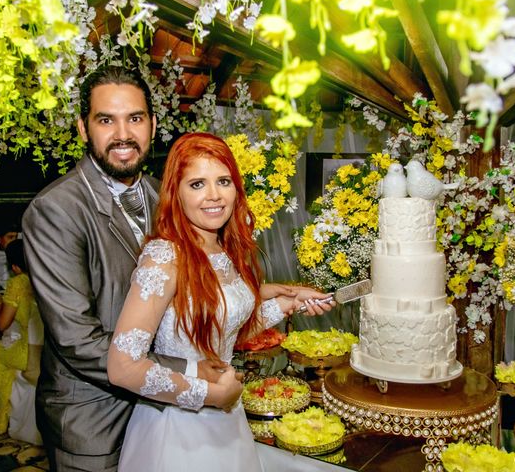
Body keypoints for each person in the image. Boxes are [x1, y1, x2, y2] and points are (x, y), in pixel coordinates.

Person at [22, 66, 233, 471]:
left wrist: (266, 295)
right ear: (83, 128)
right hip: (95, 420)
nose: (122, 134)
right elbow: (76, 340)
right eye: (106, 120)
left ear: (153, 125)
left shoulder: (165, 194)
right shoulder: (56, 211)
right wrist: (189, 370)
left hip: (161, 418)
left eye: (134, 118)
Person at [107, 133, 334, 471]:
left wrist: (288, 303)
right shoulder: (164, 256)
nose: (214, 196)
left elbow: (225, 332)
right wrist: (212, 396)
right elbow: (122, 367)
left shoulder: (221, 250)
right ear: (176, 193)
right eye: (197, 184)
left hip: (228, 420)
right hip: (178, 431)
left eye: (223, 181)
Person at [0, 239, 43, 438]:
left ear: (14, 267)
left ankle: (0, 413)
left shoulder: (18, 283)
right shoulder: (47, 275)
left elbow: (2, 324)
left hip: (31, 353)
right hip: (52, 348)